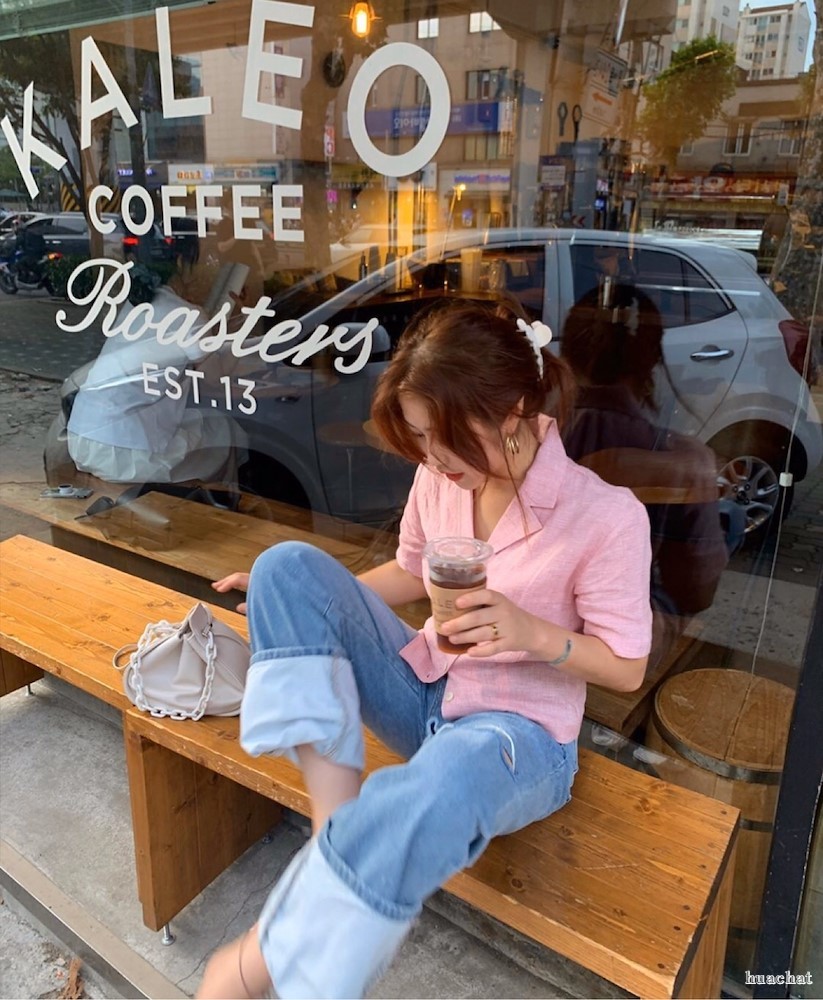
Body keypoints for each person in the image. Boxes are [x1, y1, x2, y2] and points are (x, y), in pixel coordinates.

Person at [198, 300, 653, 999]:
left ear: (511, 412)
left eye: (444, 437)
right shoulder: (441, 478)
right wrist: (315, 603)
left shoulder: (606, 515)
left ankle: (273, 950)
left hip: (514, 737)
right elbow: (412, 573)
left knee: (438, 784)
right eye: (417, 436)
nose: (431, 458)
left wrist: (532, 633)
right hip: (425, 690)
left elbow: (627, 668)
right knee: (283, 567)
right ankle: (336, 835)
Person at [560, 287, 729, 680]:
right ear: (653, 359)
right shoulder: (685, 460)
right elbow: (696, 591)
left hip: (532, 618)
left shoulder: (526, 436)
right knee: (731, 523)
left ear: (565, 353)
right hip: (623, 649)